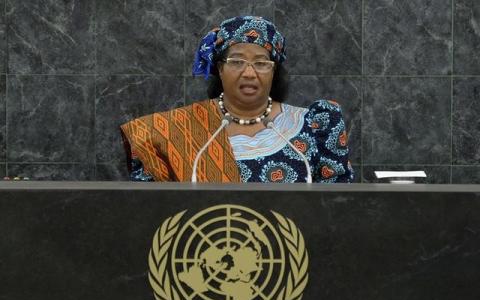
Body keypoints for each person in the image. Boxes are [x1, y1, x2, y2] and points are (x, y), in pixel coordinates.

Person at [120, 16, 354, 183]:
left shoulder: (314, 126)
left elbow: (336, 207)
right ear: (220, 69)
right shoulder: (175, 132)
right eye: (237, 61)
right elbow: (149, 210)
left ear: (274, 71)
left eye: (261, 63)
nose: (249, 73)